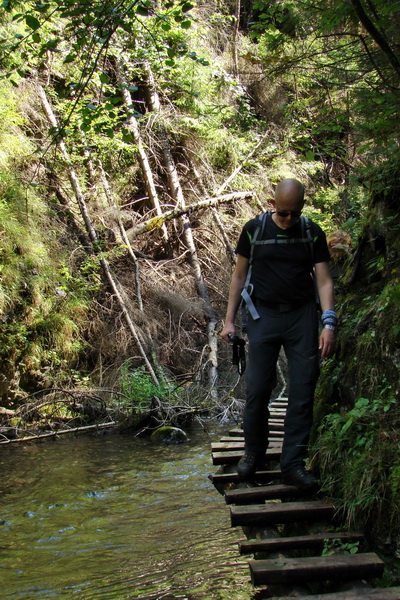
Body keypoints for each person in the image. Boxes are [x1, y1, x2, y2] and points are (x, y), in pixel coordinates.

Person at [221, 179, 336, 489]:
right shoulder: (254, 230)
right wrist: (229, 321)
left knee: (302, 391)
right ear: (272, 205)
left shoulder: (312, 232)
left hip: (301, 317)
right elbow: (239, 276)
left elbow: (324, 280)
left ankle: (293, 465)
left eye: (294, 214)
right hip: (262, 316)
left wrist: (328, 323)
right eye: (282, 213)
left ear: (301, 208)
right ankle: (253, 455)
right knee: (258, 390)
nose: (287, 220)